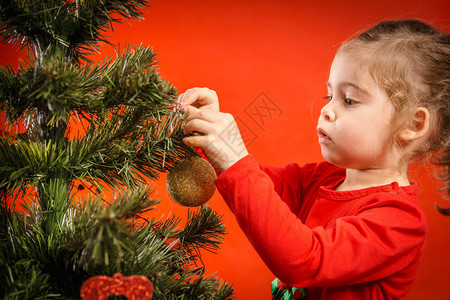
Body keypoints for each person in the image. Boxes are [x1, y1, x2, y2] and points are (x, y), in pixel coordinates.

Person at [177, 19, 450, 299]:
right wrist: (206, 135)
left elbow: (305, 260)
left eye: (350, 100)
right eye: (329, 95)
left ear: (413, 125)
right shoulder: (325, 176)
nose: (326, 110)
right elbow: (257, 186)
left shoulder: (399, 221)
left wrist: (231, 156)